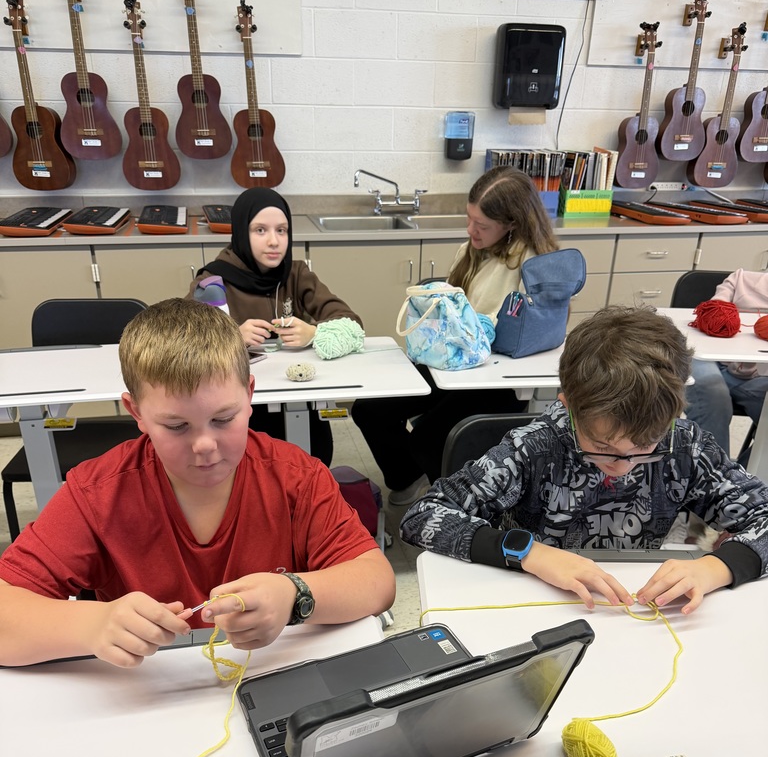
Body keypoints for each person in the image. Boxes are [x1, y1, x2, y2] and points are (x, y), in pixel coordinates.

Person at [0, 299, 395, 668]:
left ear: (249, 394)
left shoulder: (296, 477)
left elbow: (376, 581)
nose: (205, 445)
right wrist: (92, 625)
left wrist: (294, 594)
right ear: (137, 413)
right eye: (176, 426)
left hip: (267, 677)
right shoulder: (98, 493)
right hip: (148, 691)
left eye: (223, 419)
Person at [401, 305, 768, 615]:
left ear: (673, 415)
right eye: (602, 446)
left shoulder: (686, 446)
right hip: (539, 601)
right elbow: (423, 516)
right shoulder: (534, 447)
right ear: (568, 406)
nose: (623, 465)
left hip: (630, 605)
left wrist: (717, 567)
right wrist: (529, 553)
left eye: (645, 445)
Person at [351, 166, 559, 504]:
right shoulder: (471, 251)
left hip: (494, 381)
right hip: (452, 365)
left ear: (512, 224)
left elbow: (513, 333)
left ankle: (449, 503)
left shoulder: (534, 266)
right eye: (469, 219)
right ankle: (409, 476)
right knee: (369, 410)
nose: (470, 230)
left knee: (428, 438)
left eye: (482, 225)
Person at [187, 187, 364, 466]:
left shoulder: (296, 273)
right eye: (260, 230)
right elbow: (183, 343)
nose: (274, 241)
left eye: (282, 230)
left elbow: (350, 321)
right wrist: (232, 336)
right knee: (258, 466)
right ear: (241, 232)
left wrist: (314, 333)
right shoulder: (213, 280)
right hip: (240, 407)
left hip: (296, 398)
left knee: (315, 456)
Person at [684, 268, 768, 459]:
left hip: (760, 374)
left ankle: (741, 474)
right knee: (712, 393)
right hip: (709, 358)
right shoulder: (741, 279)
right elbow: (713, 313)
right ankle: (712, 472)